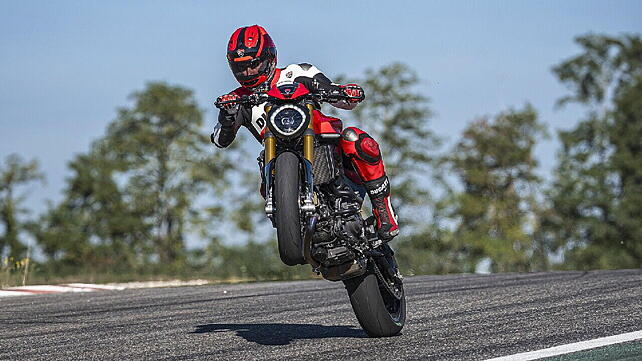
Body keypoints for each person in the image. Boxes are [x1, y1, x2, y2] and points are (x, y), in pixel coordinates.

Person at [211, 25, 399, 242]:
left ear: (270, 57)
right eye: (240, 68)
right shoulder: (237, 99)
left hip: (323, 143)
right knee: (264, 174)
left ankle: (383, 210)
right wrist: (226, 117)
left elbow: (341, 100)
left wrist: (345, 92)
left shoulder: (298, 73)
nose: (248, 73)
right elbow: (219, 140)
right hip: (277, 157)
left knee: (357, 140)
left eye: (253, 65)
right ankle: (290, 218)